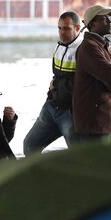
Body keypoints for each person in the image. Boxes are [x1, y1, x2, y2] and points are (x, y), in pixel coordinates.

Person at [23, 11, 83, 154]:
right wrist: (52, 91)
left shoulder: (84, 49)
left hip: (70, 112)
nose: (62, 32)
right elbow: (56, 76)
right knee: (29, 145)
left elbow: (83, 85)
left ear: (77, 28)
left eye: (67, 28)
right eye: (59, 28)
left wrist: (56, 86)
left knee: (79, 155)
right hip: (51, 106)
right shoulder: (59, 46)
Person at [72, 5, 111, 143]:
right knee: (96, 164)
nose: (109, 21)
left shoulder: (106, 45)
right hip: (96, 123)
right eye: (104, 19)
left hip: (110, 120)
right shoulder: (89, 48)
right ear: (92, 24)